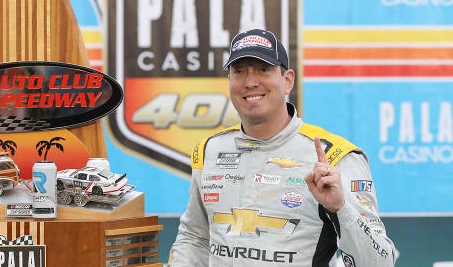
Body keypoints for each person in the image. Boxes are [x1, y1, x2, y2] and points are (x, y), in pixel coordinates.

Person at [167, 29, 398, 266]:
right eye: (239, 71)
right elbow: (194, 238)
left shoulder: (335, 157)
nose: (250, 82)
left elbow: (380, 262)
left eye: (263, 70)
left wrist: (340, 209)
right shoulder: (210, 150)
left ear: (287, 80)